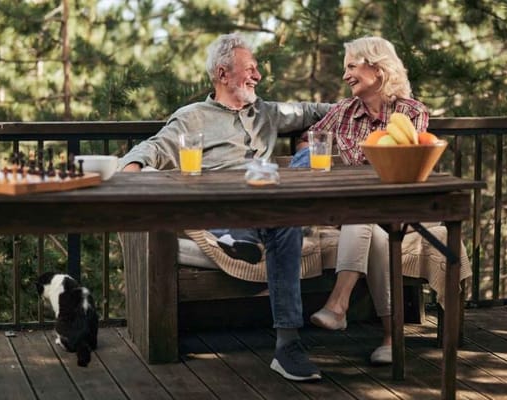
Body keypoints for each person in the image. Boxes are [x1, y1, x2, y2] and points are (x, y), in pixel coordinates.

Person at [119, 33, 332, 381]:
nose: (258, 76)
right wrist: (131, 171)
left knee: (288, 221)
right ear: (222, 74)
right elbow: (154, 148)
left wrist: (363, 102)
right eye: (250, 68)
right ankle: (235, 233)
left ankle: (287, 346)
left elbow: (314, 111)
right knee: (246, 216)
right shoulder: (193, 117)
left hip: (267, 203)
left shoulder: (268, 112)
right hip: (220, 205)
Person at [291, 36, 429, 365]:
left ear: (377, 68)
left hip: (396, 210)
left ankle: (339, 304)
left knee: (368, 224)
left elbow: (404, 164)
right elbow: (306, 142)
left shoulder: (411, 113)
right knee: (369, 229)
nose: (345, 75)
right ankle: (390, 338)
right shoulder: (344, 111)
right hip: (356, 211)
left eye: (352, 66)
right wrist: (311, 154)